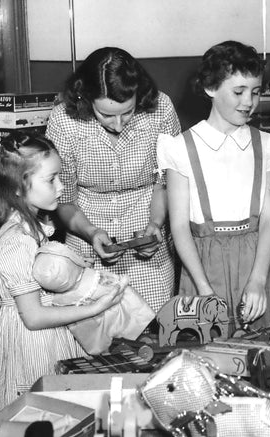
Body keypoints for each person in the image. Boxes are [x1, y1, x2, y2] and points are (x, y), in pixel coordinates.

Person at [0, 132, 124, 418]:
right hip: (32, 347)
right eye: (51, 179)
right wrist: (94, 307)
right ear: (18, 187)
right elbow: (33, 317)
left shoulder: (31, 228)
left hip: (47, 341)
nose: (61, 187)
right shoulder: (17, 241)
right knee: (41, 416)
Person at [157, 41, 270, 333]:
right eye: (238, 91)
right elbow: (179, 226)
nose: (249, 102)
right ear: (210, 88)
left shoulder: (268, 146)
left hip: (260, 261)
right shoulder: (180, 148)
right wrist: (204, 289)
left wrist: (258, 280)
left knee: (269, 355)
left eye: (255, 92)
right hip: (203, 267)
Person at [46, 47, 181, 313]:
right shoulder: (63, 120)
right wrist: (92, 232)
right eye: (106, 115)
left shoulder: (161, 108)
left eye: (127, 112)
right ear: (85, 98)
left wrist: (155, 224)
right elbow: (64, 200)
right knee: (93, 338)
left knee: (155, 332)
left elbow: (163, 182)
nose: (118, 125)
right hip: (86, 239)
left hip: (148, 236)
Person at [32, 241, 155, 354]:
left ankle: (114, 347)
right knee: (123, 317)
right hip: (111, 313)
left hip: (89, 326)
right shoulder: (91, 281)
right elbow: (112, 285)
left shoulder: (60, 300)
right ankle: (134, 339)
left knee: (101, 336)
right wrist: (122, 281)